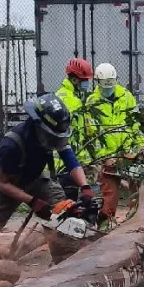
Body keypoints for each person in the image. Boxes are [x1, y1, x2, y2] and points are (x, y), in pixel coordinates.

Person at [0, 93, 93, 264]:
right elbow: (1, 183)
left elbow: (71, 161)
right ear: (38, 126)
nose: (55, 143)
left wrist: (85, 187)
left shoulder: (54, 137)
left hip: (34, 176)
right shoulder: (12, 145)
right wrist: (33, 202)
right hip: (5, 181)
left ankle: (64, 259)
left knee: (61, 209)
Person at [86, 62, 144, 223]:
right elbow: (93, 136)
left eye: (110, 85)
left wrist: (141, 145)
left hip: (128, 155)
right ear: (98, 82)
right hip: (109, 159)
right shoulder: (92, 102)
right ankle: (105, 225)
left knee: (138, 194)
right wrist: (105, 158)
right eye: (105, 86)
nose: (108, 89)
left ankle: (136, 223)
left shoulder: (126, 97)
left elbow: (135, 126)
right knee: (109, 199)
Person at [54, 57, 94, 201]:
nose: (87, 83)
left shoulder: (73, 97)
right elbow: (72, 133)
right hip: (65, 162)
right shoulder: (68, 100)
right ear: (75, 80)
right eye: (85, 80)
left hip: (70, 160)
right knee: (68, 202)